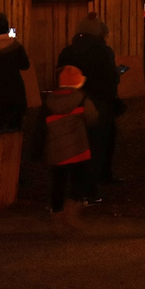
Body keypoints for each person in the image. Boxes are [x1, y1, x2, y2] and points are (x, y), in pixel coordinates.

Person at [57, 15, 123, 187]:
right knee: (100, 142)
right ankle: (95, 181)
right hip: (99, 103)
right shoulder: (103, 52)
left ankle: (77, 181)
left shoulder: (67, 52)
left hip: (72, 102)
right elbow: (109, 79)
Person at [41, 65, 99, 229]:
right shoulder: (81, 99)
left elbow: (42, 126)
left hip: (56, 151)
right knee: (78, 181)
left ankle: (57, 213)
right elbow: (93, 118)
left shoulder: (49, 101)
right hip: (78, 150)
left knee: (58, 182)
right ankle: (72, 212)